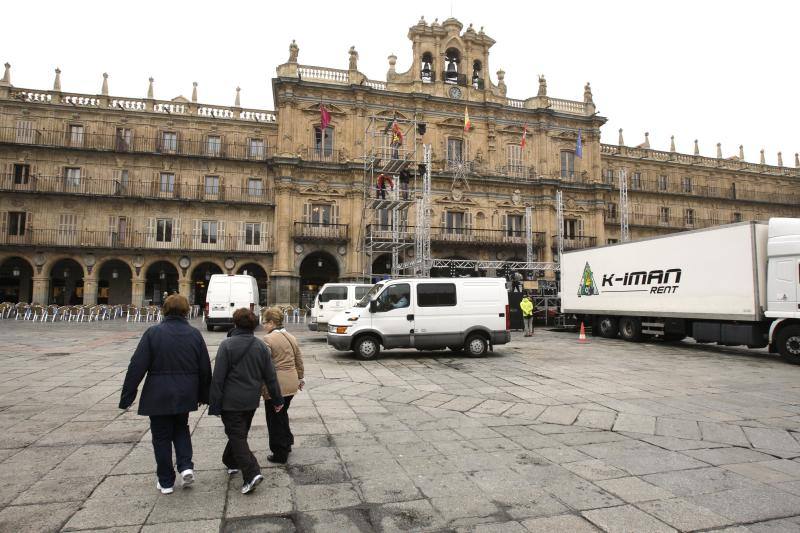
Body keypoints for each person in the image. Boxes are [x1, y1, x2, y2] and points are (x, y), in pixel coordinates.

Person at [119, 294, 211, 495]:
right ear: (186, 311)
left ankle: (166, 481)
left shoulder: (153, 333)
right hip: (185, 393)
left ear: (164, 310)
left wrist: (127, 396)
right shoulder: (194, 334)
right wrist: (205, 395)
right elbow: (205, 367)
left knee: (161, 437)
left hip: (158, 393)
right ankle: (186, 466)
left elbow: (136, 366)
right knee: (181, 428)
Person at [209, 308, 284, 494]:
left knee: (237, 435)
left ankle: (251, 473)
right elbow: (271, 376)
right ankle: (230, 460)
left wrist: (215, 403)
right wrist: (277, 399)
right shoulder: (260, 346)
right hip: (250, 400)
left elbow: (218, 377)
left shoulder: (227, 345)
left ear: (235, 323)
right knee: (238, 434)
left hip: (230, 401)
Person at [260, 307, 305, 464]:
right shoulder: (291, 336)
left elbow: (265, 365)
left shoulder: (268, 339)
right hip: (291, 382)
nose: (263, 325)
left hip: (277, 385)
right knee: (282, 414)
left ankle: (279, 453)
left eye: (265, 322)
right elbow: (298, 359)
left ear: (272, 323)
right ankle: (287, 442)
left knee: (274, 419)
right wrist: (300, 377)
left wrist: (261, 386)